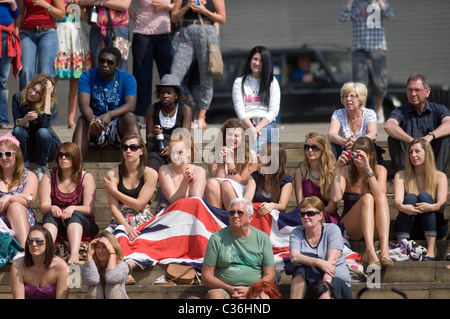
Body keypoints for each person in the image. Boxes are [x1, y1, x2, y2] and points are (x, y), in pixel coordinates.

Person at [330, 136, 392, 268]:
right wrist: (338, 169)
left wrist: (368, 171)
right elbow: (335, 198)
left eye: (362, 155)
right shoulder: (346, 171)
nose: (358, 159)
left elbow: (381, 196)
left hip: (374, 224)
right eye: (355, 154)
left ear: (371, 155)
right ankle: (370, 250)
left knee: (377, 196)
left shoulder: (380, 170)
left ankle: (384, 249)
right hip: (351, 227)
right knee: (368, 198)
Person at [104, 132, 158, 283]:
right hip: (120, 218)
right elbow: (114, 208)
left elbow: (139, 204)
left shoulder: (151, 173)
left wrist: (113, 191)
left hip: (143, 216)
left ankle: (127, 267)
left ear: (141, 150)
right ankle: (125, 271)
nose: (128, 151)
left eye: (133, 147)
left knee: (144, 241)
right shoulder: (113, 174)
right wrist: (126, 226)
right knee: (121, 236)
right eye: (125, 147)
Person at [73, 46, 140, 157]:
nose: (105, 64)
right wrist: (92, 121)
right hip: (95, 125)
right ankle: (74, 168)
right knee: (82, 120)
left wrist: (109, 115)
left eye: (110, 62)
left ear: (117, 65)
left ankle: (139, 166)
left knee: (130, 117)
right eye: (102, 61)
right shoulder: (87, 76)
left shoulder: (128, 78)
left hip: (118, 127)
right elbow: (83, 104)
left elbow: (130, 105)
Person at [202, 198, 275, 299]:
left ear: (250, 217)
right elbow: (206, 276)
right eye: (232, 212)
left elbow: (270, 274)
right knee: (215, 295)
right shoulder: (216, 239)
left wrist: (251, 289)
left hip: (255, 289)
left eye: (240, 213)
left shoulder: (262, 238)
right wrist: (230, 288)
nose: (235, 215)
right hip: (225, 290)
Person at [40, 142, 99, 265]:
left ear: (75, 157)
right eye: (60, 155)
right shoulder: (49, 175)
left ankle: (74, 254)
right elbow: (44, 207)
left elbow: (89, 209)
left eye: (67, 155)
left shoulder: (85, 177)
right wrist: (53, 207)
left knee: (75, 215)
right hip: (58, 221)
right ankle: (47, 252)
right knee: (50, 214)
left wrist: (72, 208)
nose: (63, 158)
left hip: (83, 222)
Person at [171, 0, 226, 129]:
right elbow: (174, 17)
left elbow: (222, 19)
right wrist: (186, 7)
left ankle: (201, 116)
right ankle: (181, 113)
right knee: (174, 76)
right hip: (186, 32)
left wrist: (204, 11)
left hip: (207, 31)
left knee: (206, 76)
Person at [338, 0, 394, 123]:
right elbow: (342, 17)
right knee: (359, 84)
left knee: (380, 84)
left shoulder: (378, 3)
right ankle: (361, 113)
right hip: (359, 49)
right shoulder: (355, 4)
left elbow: (389, 14)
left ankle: (379, 110)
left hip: (377, 48)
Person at [287, 196, 352, 299]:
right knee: (299, 270)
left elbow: (331, 262)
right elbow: (294, 257)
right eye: (302, 214)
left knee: (328, 286)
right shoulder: (296, 232)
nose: (306, 217)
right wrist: (318, 262)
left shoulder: (332, 229)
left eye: (310, 213)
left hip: (335, 280)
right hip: (312, 282)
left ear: (320, 215)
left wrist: (324, 286)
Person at [393, 139, 448, 261]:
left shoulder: (440, 176)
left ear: (426, 153)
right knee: (411, 197)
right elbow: (397, 202)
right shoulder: (401, 175)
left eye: (417, 151)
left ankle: (431, 249)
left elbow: (441, 205)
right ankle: (401, 245)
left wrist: (430, 207)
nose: (413, 155)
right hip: (411, 223)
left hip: (433, 224)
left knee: (424, 196)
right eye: (410, 152)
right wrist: (403, 207)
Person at [384, 73, 450, 173]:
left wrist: (430, 136)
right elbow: (389, 126)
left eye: (417, 90)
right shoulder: (400, 111)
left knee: (445, 137)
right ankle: (405, 178)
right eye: (410, 90)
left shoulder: (438, 109)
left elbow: (448, 124)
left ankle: (436, 177)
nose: (413, 94)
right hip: (409, 159)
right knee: (394, 138)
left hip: (432, 158)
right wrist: (411, 140)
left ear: (427, 92)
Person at [12, 74, 61, 181]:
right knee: (18, 131)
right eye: (33, 88)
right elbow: (16, 126)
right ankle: (23, 167)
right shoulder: (18, 98)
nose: (33, 93)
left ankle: (41, 168)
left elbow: (45, 126)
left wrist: (47, 96)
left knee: (43, 132)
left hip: (46, 147)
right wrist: (25, 119)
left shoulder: (46, 102)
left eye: (38, 93)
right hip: (27, 146)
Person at [232, 45, 280, 153]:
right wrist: (251, 127)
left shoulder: (272, 82)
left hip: (266, 124)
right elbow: (239, 108)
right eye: (255, 59)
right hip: (246, 124)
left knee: (260, 143)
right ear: (250, 60)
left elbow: (274, 110)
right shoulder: (239, 82)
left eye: (261, 60)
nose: (257, 63)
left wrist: (257, 128)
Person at [130, 0, 173, 117]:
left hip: (164, 34)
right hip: (142, 34)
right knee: (142, 77)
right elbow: (125, 5)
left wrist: (167, 6)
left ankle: (171, 114)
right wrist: (135, 17)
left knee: (169, 76)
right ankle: (144, 116)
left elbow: (181, 6)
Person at [54, 0, 92, 129]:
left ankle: (71, 119)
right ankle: (46, 112)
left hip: (77, 33)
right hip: (59, 32)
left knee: (76, 79)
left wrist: (81, 4)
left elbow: (87, 18)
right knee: (52, 77)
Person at [204, 118, 257, 210]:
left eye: (237, 135)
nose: (233, 138)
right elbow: (217, 178)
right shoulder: (213, 154)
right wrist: (221, 161)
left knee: (227, 184)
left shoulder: (250, 155)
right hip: (218, 192)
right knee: (212, 183)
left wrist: (229, 162)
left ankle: (232, 217)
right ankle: (217, 218)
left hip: (240, 192)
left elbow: (243, 182)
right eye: (229, 135)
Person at [145, 74, 192, 174]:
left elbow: (185, 136)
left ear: (176, 95)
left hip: (177, 147)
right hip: (156, 147)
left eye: (169, 93)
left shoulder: (185, 110)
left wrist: (171, 147)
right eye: (162, 93)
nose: (165, 95)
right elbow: (148, 136)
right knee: (152, 164)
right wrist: (155, 133)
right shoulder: (152, 108)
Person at [15, 0, 65, 91]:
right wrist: (16, 34)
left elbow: (61, 14)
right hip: (27, 33)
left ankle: (44, 103)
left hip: (47, 33)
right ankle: (25, 103)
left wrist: (46, 5)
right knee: (26, 70)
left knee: (45, 72)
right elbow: (20, 12)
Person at [10, 225, 69, 299]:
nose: (34, 244)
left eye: (39, 241)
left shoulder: (61, 267)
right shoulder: (18, 265)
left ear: (47, 243)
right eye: (30, 241)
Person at [0, 133, 38, 248]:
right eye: (0, 154)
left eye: (8, 154)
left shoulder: (29, 176)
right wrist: (19, 196)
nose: (4, 158)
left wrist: (10, 198)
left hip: (20, 219)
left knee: (15, 206)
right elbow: (24, 197)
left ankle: (25, 250)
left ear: (18, 154)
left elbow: (28, 200)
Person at [294, 132, 339, 224]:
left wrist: (314, 213)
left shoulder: (333, 172)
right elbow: (300, 204)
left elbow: (331, 208)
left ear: (323, 149)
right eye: (307, 147)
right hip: (304, 215)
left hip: (326, 216)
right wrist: (309, 213)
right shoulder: (301, 171)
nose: (310, 150)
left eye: (314, 147)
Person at [328, 82, 379, 161]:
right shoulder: (338, 113)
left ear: (360, 98)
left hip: (363, 151)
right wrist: (346, 142)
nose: (348, 99)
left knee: (372, 146)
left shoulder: (369, 113)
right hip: (344, 151)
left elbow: (373, 134)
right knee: (331, 146)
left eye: (352, 96)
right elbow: (331, 135)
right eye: (345, 96)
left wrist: (357, 143)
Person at [157, 130, 206, 211]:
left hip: (192, 213)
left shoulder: (199, 171)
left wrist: (192, 183)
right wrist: (185, 182)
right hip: (170, 213)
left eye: (180, 152)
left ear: (189, 152)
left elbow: (196, 200)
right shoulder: (164, 170)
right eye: (173, 153)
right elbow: (173, 201)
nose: (175, 157)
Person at [78, 0, 131, 71]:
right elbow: (80, 2)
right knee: (98, 64)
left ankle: (118, 82)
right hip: (97, 30)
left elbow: (124, 5)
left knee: (119, 64)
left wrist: (101, 3)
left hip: (118, 29)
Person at [244, 142, 293, 215]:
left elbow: (282, 205)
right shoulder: (255, 176)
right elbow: (247, 197)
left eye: (262, 153)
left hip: (275, 219)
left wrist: (272, 206)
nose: (257, 156)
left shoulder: (285, 180)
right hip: (257, 215)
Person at [81, 231, 129, 299]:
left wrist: (112, 253)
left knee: (113, 288)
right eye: (97, 247)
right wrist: (89, 255)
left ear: (112, 247)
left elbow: (111, 278)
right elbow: (92, 280)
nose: (100, 251)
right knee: (94, 289)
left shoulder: (122, 266)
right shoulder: (88, 266)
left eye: (105, 247)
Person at [0, 0, 21, 129]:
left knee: (3, 80)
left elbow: (16, 13)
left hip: (6, 35)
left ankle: (3, 120)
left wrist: (12, 2)